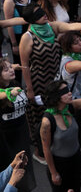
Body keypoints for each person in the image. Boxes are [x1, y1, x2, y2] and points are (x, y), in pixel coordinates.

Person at [19, 2, 81, 164]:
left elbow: (69, 27)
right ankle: (40, 152)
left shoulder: (51, 27)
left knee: (59, 113)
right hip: (39, 81)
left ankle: (59, 146)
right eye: (38, 15)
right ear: (31, 19)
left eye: (43, 12)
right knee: (41, 118)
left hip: (56, 79)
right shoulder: (27, 37)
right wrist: (30, 89)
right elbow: (24, 65)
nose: (44, 15)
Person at [0, 60, 35, 191]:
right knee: (10, 169)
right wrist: (9, 93)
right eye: (5, 69)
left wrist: (29, 130)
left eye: (11, 67)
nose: (11, 70)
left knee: (24, 165)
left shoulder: (15, 84)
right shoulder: (6, 91)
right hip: (6, 139)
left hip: (21, 131)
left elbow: (23, 109)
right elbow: (2, 94)